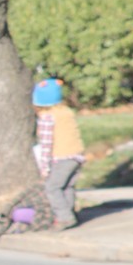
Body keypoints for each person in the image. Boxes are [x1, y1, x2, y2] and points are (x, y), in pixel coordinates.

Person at [32, 78, 85, 231]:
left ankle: (64, 217)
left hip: (62, 157)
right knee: (68, 186)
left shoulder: (47, 117)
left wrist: (45, 168)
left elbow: (46, 144)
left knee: (52, 188)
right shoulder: (67, 112)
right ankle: (70, 214)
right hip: (77, 156)